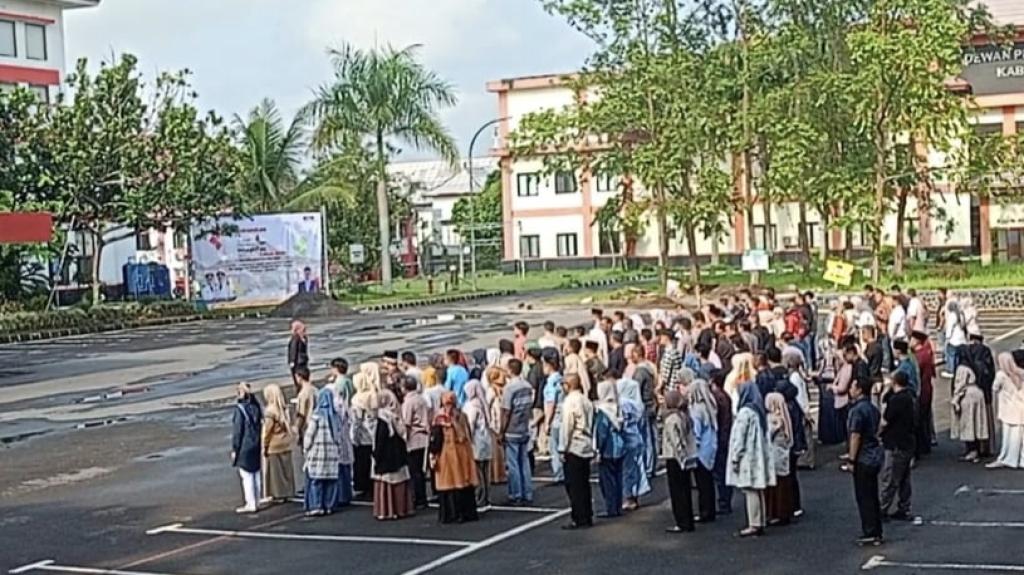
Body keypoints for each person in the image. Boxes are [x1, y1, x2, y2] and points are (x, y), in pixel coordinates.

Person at [727, 382, 774, 538]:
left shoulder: (744, 413)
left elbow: (739, 438)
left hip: (747, 457)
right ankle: (760, 520)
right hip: (758, 456)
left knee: (750, 490)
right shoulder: (759, 411)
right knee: (758, 489)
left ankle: (753, 523)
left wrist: (735, 457)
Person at [846, 375, 884, 546]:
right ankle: (877, 530)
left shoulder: (857, 411)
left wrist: (851, 460)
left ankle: (869, 531)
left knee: (864, 497)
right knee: (873, 495)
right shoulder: (873, 409)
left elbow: (855, 436)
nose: (851, 389)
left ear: (859, 389)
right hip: (875, 455)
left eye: (853, 387)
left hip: (863, 458)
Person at [432, 392, 480, 523]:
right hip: (463, 452)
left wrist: (432, 455)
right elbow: (467, 434)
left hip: (446, 454)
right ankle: (465, 514)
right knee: (462, 482)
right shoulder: (461, 415)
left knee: (448, 483)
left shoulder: (439, 418)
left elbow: (435, 440)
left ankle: (450, 515)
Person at [559, 373, 595, 529]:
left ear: (567, 385)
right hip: (586, 443)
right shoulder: (586, 400)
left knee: (574, 485)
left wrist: (562, 448)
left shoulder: (569, 402)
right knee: (584, 483)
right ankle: (587, 515)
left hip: (574, 445)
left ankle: (578, 516)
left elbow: (567, 426)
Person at [879, 371, 915, 521]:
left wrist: (878, 433)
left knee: (890, 478)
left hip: (895, 443)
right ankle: (904, 506)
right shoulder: (911, 397)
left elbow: (885, 420)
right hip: (908, 441)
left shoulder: (896, 400)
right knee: (904, 477)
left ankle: (882, 508)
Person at [372, 389, 413, 520]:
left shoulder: (383, 419)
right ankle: (402, 509)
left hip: (386, 459)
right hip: (399, 456)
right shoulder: (397, 415)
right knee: (400, 481)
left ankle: (387, 510)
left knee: (386, 483)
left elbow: (380, 441)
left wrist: (375, 456)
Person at [500, 359, 535, 505]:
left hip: (512, 429)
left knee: (513, 464)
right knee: (524, 462)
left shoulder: (509, 388)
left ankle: (516, 493)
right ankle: (527, 492)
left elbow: (506, 411)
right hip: (524, 427)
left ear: (510, 370)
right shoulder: (527, 386)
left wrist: (502, 430)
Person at [662, 389, 697, 533]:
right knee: (686, 491)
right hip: (686, 456)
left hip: (674, 458)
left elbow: (675, 441)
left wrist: (680, 457)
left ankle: (681, 522)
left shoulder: (671, 420)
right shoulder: (684, 416)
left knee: (677, 492)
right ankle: (688, 520)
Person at [304, 388, 342, 517]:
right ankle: (329, 505)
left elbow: (309, 435)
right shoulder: (335, 416)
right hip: (332, 453)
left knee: (316, 480)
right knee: (331, 480)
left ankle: (316, 505)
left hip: (318, 453)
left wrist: (306, 448)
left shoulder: (316, 416)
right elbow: (339, 436)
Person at [594, 375, 625, 518]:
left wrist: (598, 449)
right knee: (618, 478)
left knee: (607, 481)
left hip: (608, 449)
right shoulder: (618, 407)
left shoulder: (603, 411)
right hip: (620, 447)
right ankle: (618, 506)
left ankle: (611, 508)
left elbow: (602, 432)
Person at [618, 376, 652, 510]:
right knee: (638, 469)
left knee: (627, 470)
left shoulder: (622, 403)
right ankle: (635, 495)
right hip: (637, 438)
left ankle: (628, 497)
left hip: (627, 439)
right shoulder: (639, 405)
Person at [951, 348, 989, 463]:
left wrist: (955, 399)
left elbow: (960, 384)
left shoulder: (962, 368)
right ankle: (977, 449)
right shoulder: (976, 365)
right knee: (977, 423)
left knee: (968, 423)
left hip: (968, 395)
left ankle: (971, 450)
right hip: (978, 393)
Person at [688, 379, 719, 523]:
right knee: (708, 483)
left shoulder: (696, 410)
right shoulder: (710, 406)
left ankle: (704, 512)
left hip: (701, 452)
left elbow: (696, 432)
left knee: (702, 484)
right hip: (711, 447)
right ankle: (710, 510)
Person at [989, 352, 1024, 469]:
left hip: (1008, 409)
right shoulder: (1021, 373)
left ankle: (1008, 458)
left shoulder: (1001, 375)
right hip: (1020, 408)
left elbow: (994, 388)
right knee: (1020, 437)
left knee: (1009, 437)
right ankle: (1021, 459)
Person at [261, 383, 295, 503]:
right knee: (286, 470)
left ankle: (278, 494)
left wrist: (264, 446)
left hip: (274, 445)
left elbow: (267, 432)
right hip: (285, 442)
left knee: (276, 473)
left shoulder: (270, 411)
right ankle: (288, 491)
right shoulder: (283, 409)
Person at [232, 382, 263, 514]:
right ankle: (256, 499)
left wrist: (235, 448)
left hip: (245, 444)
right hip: (256, 442)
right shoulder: (256, 407)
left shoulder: (240, 409)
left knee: (246, 475)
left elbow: (238, 431)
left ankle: (250, 503)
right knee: (256, 472)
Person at [964, 332, 997, 456]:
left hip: (968, 391)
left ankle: (972, 448)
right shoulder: (986, 352)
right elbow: (990, 373)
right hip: (985, 392)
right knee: (984, 421)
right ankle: (985, 447)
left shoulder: (965, 352)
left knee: (969, 420)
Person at [764, 391, 794, 526]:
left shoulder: (773, 419)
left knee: (775, 486)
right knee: (784, 483)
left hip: (774, 456)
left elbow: (767, 435)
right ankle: (786, 512)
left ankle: (776, 513)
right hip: (783, 454)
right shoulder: (784, 417)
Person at [463, 380, 493, 507]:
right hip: (486, 440)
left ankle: (479, 496)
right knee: (486, 471)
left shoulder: (472, 406)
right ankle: (486, 495)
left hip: (476, 441)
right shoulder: (482, 403)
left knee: (478, 471)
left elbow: (470, 425)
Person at [401, 376, 430, 508]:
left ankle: (418, 498)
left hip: (413, 438)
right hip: (424, 437)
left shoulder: (408, 402)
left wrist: (403, 439)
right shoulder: (422, 399)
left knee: (414, 471)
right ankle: (422, 497)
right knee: (421, 470)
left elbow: (406, 422)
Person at [351, 367, 380, 497]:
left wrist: (353, 437)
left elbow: (356, 420)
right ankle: (373, 484)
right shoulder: (374, 395)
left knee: (361, 461)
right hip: (373, 432)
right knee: (372, 459)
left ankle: (362, 485)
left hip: (363, 434)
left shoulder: (357, 399)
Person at [326, 383, 354, 509]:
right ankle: (346, 495)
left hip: (337, 440)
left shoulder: (333, 406)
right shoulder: (343, 403)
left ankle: (339, 496)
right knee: (345, 468)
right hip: (345, 438)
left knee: (337, 470)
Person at [709, 370, 734, 515]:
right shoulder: (726, 396)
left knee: (720, 472)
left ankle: (724, 502)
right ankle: (725, 501)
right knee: (723, 470)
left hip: (720, 437)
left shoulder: (717, 398)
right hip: (725, 436)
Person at [911, 331, 936, 456]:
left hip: (923, 390)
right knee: (925, 418)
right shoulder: (926, 354)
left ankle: (922, 445)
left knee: (921, 418)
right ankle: (926, 443)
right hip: (927, 387)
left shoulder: (920, 356)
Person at [542, 353, 566, 483]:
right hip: (563, 416)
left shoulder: (551, 382)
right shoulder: (561, 379)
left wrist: (547, 422)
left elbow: (550, 403)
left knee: (555, 448)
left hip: (555, 418)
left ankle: (559, 474)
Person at [485, 367, 509, 485]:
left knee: (500, 451)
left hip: (501, 423)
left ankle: (500, 474)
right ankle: (495, 475)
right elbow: (487, 406)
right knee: (496, 451)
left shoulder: (503, 389)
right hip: (494, 424)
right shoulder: (491, 391)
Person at [943, 300, 967, 378]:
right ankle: (958, 370)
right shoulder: (961, 314)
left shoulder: (952, 316)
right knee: (958, 357)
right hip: (962, 339)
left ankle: (951, 370)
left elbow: (949, 328)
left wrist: (947, 338)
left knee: (951, 355)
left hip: (954, 340)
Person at [287, 320, 309, 393]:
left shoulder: (295, 338)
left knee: (297, 379)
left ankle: (300, 392)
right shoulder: (303, 337)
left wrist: (292, 361)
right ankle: (304, 391)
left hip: (297, 362)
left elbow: (293, 350)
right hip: (303, 360)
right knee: (304, 378)